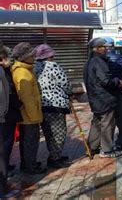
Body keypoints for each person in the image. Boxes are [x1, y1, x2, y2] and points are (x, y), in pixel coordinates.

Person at [34, 44, 72, 168]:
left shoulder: (34, 67)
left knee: (48, 132)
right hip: (55, 105)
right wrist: (69, 92)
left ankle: (55, 155)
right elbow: (65, 83)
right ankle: (55, 158)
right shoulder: (53, 66)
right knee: (59, 133)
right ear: (49, 55)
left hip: (42, 104)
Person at [84, 38, 122, 158]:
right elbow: (106, 81)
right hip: (104, 98)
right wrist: (117, 81)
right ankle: (107, 150)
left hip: (95, 98)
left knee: (96, 123)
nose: (106, 49)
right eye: (103, 47)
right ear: (97, 49)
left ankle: (92, 147)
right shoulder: (99, 62)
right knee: (107, 123)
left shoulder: (89, 62)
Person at [11, 42, 46, 174]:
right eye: (31, 55)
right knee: (30, 143)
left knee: (28, 142)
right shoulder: (22, 72)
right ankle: (29, 167)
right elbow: (27, 98)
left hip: (28, 114)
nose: (34, 57)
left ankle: (28, 163)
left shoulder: (25, 70)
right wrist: (35, 116)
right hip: (28, 116)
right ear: (23, 57)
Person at [104, 38, 122, 150]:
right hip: (120, 91)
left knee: (107, 120)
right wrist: (121, 78)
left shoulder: (102, 60)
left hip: (106, 93)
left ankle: (107, 143)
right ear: (113, 46)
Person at [0, 44, 20, 198]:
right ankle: (1, 187)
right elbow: (4, 95)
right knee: (2, 152)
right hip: (3, 118)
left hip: (5, 116)